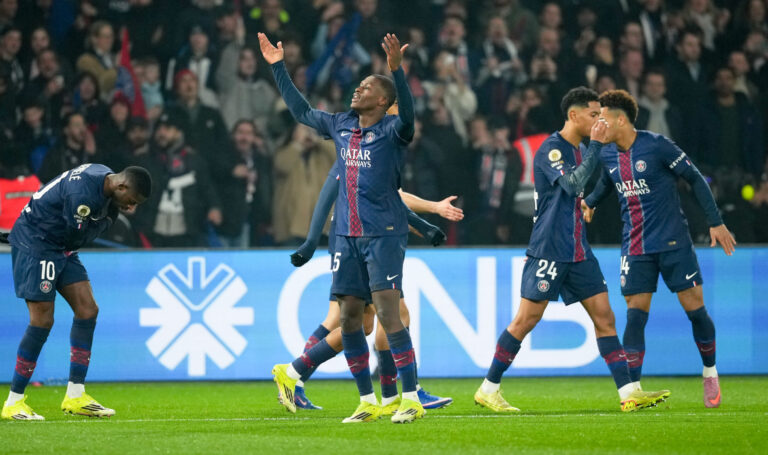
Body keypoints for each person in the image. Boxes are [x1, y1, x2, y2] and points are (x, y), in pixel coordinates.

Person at [473, 87, 670, 414]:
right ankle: (489, 388)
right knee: (525, 321)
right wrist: (595, 145)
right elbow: (574, 184)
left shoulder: (580, 149)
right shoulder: (552, 149)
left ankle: (629, 393)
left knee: (605, 317)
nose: (599, 121)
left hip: (578, 249)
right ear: (574, 115)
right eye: (594, 114)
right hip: (550, 248)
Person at [260, 31, 423, 423]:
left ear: (383, 101)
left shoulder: (392, 130)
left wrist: (397, 73)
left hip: (383, 234)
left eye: (367, 87)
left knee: (387, 314)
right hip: (345, 237)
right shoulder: (341, 125)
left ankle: (412, 398)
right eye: (359, 84)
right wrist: (278, 69)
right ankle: (367, 400)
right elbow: (301, 112)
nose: (358, 89)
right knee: (350, 317)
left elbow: (411, 118)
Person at [582, 90, 737, 408]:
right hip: (635, 246)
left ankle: (709, 372)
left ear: (620, 120)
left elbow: (695, 179)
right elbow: (606, 183)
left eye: (603, 118)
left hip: (673, 243)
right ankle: (634, 390)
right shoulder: (607, 155)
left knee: (695, 312)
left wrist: (715, 222)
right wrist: (590, 203)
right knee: (635, 316)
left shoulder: (657, 145)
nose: (598, 125)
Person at [282, 159, 462, 412]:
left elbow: (386, 198)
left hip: (357, 233)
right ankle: (400, 393)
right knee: (391, 313)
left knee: (363, 321)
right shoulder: (372, 142)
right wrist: (432, 211)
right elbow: (390, 197)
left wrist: (421, 222)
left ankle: (295, 376)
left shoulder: (367, 144)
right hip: (360, 237)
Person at [1, 164, 152, 420]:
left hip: (59, 245)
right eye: (131, 201)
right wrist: (105, 219)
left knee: (88, 309)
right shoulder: (83, 194)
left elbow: (79, 234)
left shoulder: (104, 183)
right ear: (121, 186)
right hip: (38, 243)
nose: (130, 207)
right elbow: (77, 237)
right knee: (42, 320)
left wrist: (105, 217)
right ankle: (13, 402)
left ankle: (75, 396)